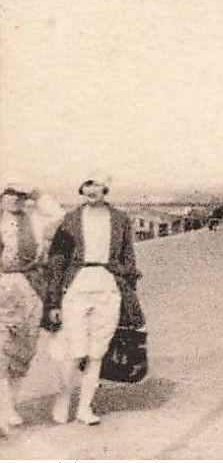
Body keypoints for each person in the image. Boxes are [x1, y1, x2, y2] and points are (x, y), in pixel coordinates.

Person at [42, 177, 143, 426]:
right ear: (82, 190)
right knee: (75, 351)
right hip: (77, 286)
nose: (92, 191)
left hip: (108, 287)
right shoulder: (70, 220)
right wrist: (54, 302)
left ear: (105, 189)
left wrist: (127, 288)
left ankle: (85, 408)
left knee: (97, 352)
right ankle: (64, 398)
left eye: (96, 185)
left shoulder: (120, 219)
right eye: (87, 186)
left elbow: (128, 256)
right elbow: (56, 262)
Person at [0, 185, 45, 435]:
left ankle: (10, 406)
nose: (15, 199)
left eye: (20, 194)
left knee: (22, 350)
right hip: (1, 286)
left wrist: (37, 194)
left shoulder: (34, 221)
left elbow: (57, 216)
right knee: (1, 349)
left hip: (28, 288)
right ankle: (3, 409)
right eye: (10, 193)